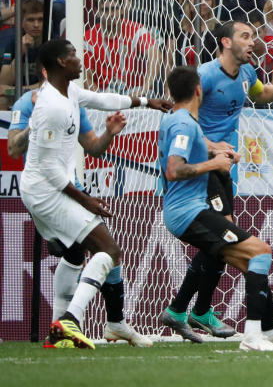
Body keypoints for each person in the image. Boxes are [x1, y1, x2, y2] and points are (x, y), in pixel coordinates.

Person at [161, 21, 273, 342]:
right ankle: (196, 310)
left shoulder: (246, 74)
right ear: (225, 43)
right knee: (226, 240)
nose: (253, 42)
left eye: (254, 36)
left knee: (219, 243)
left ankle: (184, 310)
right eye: (245, 36)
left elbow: (260, 94)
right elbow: (181, 111)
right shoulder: (205, 75)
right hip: (206, 169)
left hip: (224, 169)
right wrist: (211, 146)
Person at [22, 39, 169, 349]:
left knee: (81, 254)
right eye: (73, 54)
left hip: (50, 188)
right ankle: (70, 321)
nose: (80, 58)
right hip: (45, 191)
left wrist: (146, 102)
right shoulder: (50, 106)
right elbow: (48, 169)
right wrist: (85, 199)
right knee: (109, 249)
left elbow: (102, 99)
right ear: (61, 62)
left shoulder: (69, 92)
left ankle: (106, 325)